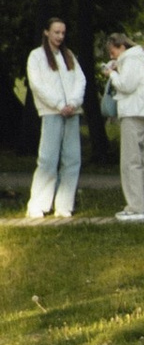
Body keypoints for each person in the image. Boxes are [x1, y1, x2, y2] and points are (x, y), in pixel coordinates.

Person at [24, 19, 85, 220]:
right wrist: (59, 104)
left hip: (72, 113)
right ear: (46, 32)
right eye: (56, 32)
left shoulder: (68, 56)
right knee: (48, 159)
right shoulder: (36, 56)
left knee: (72, 159)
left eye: (62, 33)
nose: (60, 36)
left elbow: (80, 80)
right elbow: (37, 85)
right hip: (51, 112)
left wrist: (74, 103)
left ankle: (64, 204)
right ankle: (38, 205)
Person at [101, 29, 144, 220]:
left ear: (121, 47)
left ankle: (135, 208)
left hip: (133, 113)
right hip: (142, 112)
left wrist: (111, 74)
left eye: (113, 52)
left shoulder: (131, 60)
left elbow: (126, 85)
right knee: (142, 160)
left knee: (130, 162)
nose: (112, 56)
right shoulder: (138, 60)